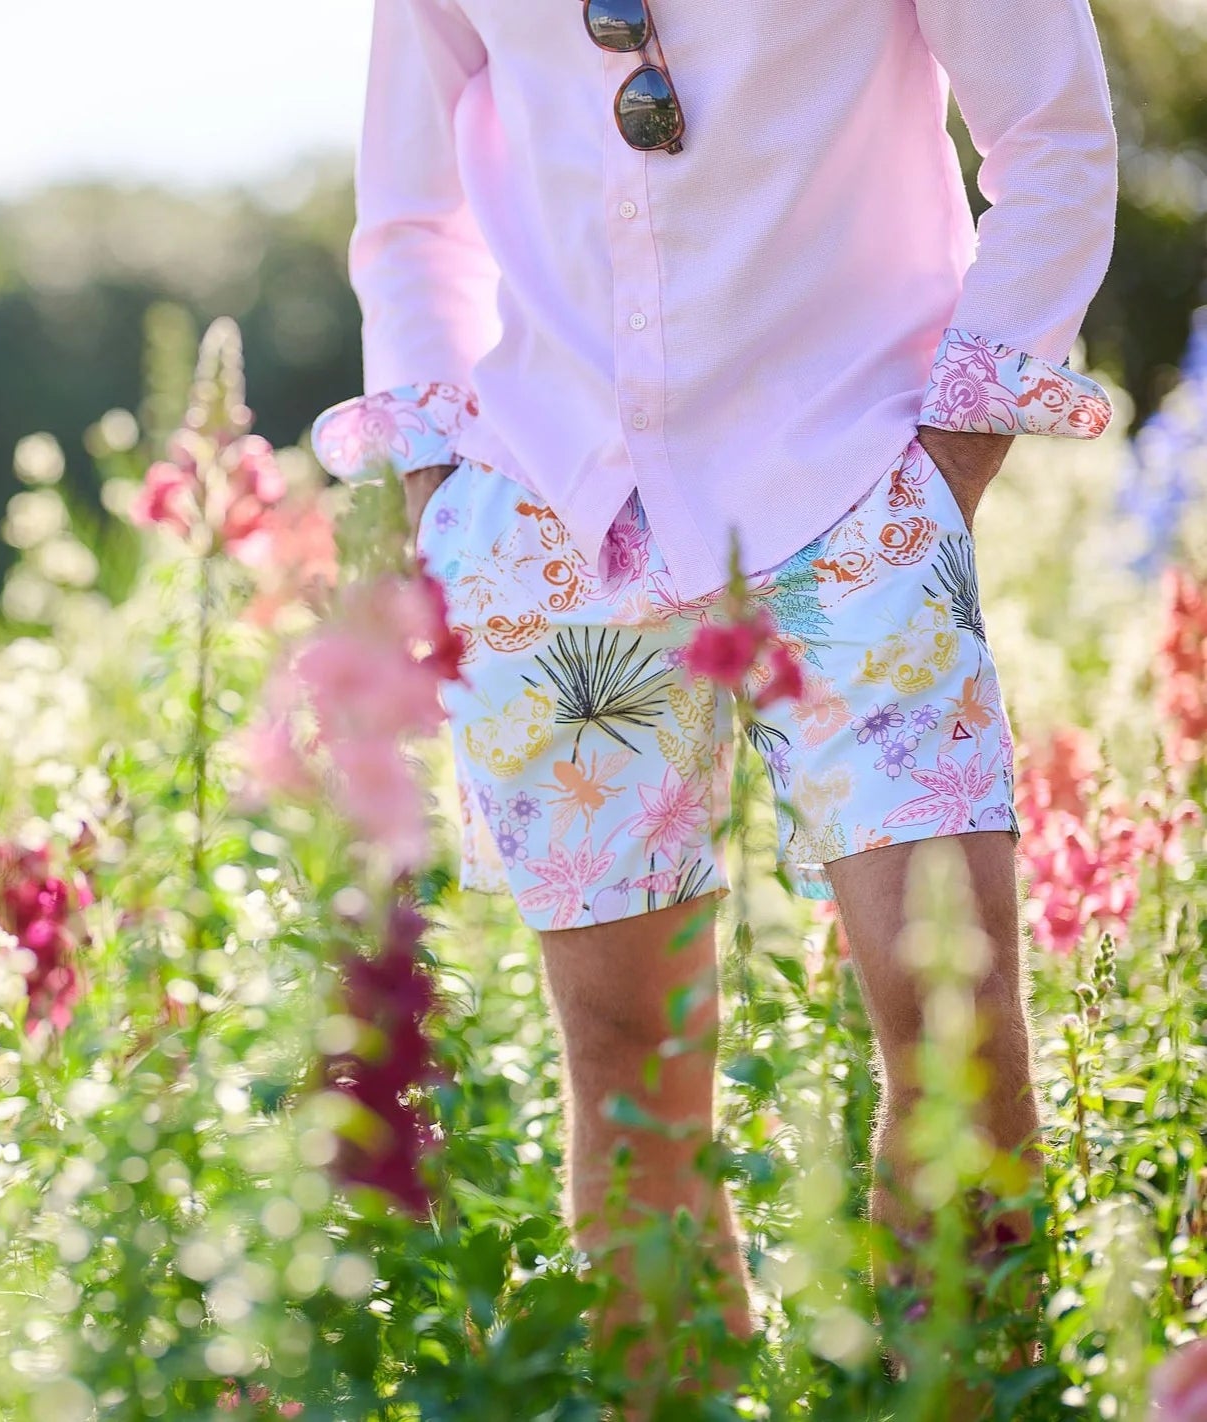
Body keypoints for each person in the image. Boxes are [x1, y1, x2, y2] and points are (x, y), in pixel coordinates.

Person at [313, 0, 1118, 1403]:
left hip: (853, 481)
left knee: (953, 1021)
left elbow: (1050, 135)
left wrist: (944, 464)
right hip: (546, 509)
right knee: (626, 1070)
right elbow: (409, 222)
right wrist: (449, 497)